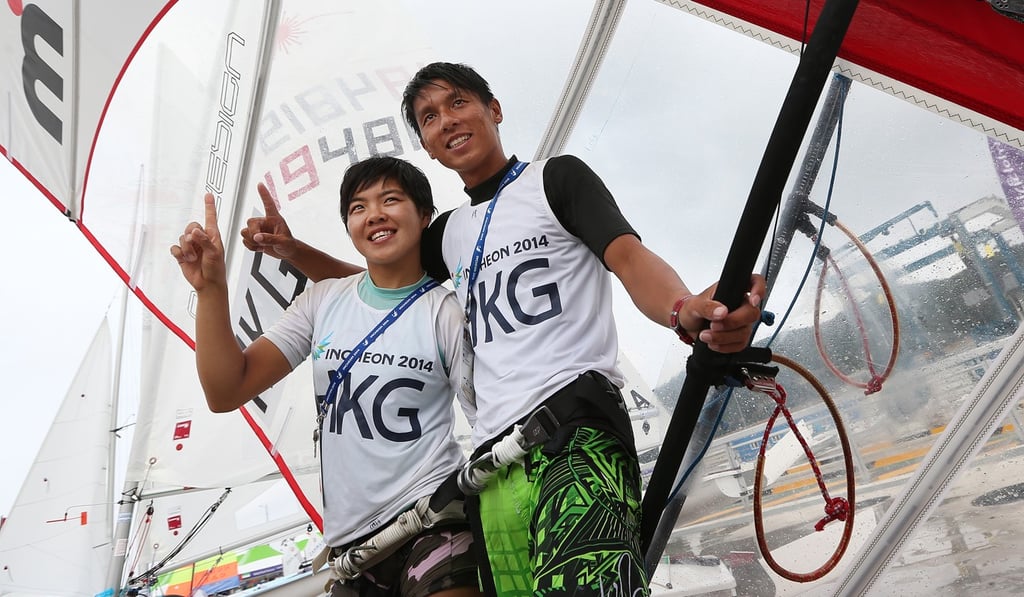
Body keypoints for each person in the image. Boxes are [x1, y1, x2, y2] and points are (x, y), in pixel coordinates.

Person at [242, 62, 766, 596]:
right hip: (492, 467)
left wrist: (682, 309)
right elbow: (379, 286)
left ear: (494, 110)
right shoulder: (447, 232)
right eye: (428, 117)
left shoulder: (556, 180)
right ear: (425, 145)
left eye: (457, 103)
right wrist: (292, 250)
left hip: (575, 434)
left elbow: (628, 258)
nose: (445, 121)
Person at [171, 156, 482, 597]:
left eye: (391, 200)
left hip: (434, 520)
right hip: (352, 551)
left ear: (425, 216)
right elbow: (226, 390)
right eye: (358, 207)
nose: (374, 214)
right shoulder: (321, 300)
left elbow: (487, 417)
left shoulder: (447, 313)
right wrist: (211, 289)